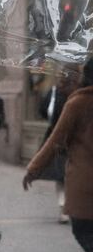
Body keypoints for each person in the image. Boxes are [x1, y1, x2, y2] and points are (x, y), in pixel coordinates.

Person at [24, 58, 93, 252]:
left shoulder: (79, 102)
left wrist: (33, 169)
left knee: (82, 230)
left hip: (85, 184)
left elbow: (55, 140)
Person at [36, 66, 80, 224]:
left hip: (57, 138)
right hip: (78, 140)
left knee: (60, 176)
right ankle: (74, 207)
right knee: (74, 174)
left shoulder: (55, 91)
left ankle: (63, 208)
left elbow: (42, 110)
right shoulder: (81, 92)